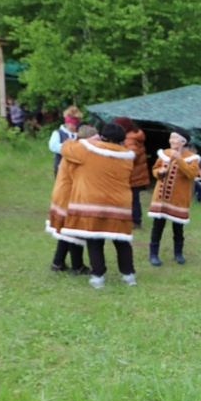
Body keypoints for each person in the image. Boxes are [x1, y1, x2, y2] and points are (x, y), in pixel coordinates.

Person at [59, 123, 136, 288]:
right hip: (120, 203)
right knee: (121, 241)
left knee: (94, 240)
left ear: (102, 136)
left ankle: (98, 277)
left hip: (92, 202)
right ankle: (129, 275)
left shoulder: (88, 150)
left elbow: (65, 148)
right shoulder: (128, 156)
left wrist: (88, 141)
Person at [46, 124, 97, 275]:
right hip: (70, 195)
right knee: (74, 229)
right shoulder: (79, 152)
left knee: (66, 229)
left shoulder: (71, 148)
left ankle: (58, 262)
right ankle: (77, 265)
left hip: (63, 193)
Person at [147, 129, 201, 266]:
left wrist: (179, 160)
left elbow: (192, 174)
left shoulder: (192, 157)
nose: (171, 141)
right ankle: (153, 254)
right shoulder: (164, 153)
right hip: (161, 198)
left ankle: (178, 253)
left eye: (175, 138)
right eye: (171, 138)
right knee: (157, 227)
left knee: (178, 228)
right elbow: (155, 168)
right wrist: (159, 172)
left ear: (183, 142)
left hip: (179, 198)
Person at [112, 116, 149, 229]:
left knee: (133, 198)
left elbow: (133, 154)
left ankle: (135, 221)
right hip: (136, 173)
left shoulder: (129, 139)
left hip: (133, 174)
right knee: (133, 197)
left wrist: (121, 160)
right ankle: (131, 219)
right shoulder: (134, 135)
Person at [48, 106, 82, 177]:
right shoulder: (58, 133)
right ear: (67, 122)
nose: (75, 127)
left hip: (77, 168)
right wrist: (69, 149)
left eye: (76, 124)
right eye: (73, 124)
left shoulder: (80, 134)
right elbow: (53, 146)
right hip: (61, 166)